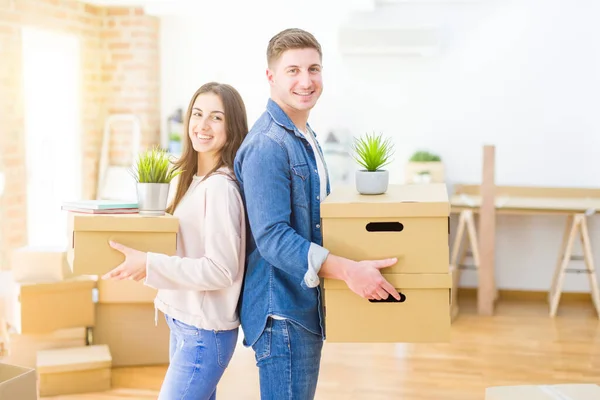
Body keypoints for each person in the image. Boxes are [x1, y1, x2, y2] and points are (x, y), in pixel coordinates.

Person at [233, 28, 401, 399]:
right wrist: (348, 270)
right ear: (270, 76)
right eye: (292, 70)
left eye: (314, 68)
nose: (306, 81)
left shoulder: (303, 134)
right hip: (282, 311)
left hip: (300, 304)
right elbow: (273, 238)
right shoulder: (268, 145)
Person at [102, 82, 249, 400]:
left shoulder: (220, 188)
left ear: (232, 126)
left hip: (203, 333)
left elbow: (221, 270)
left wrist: (150, 264)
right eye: (197, 114)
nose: (202, 125)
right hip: (184, 324)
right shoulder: (195, 181)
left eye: (216, 117)